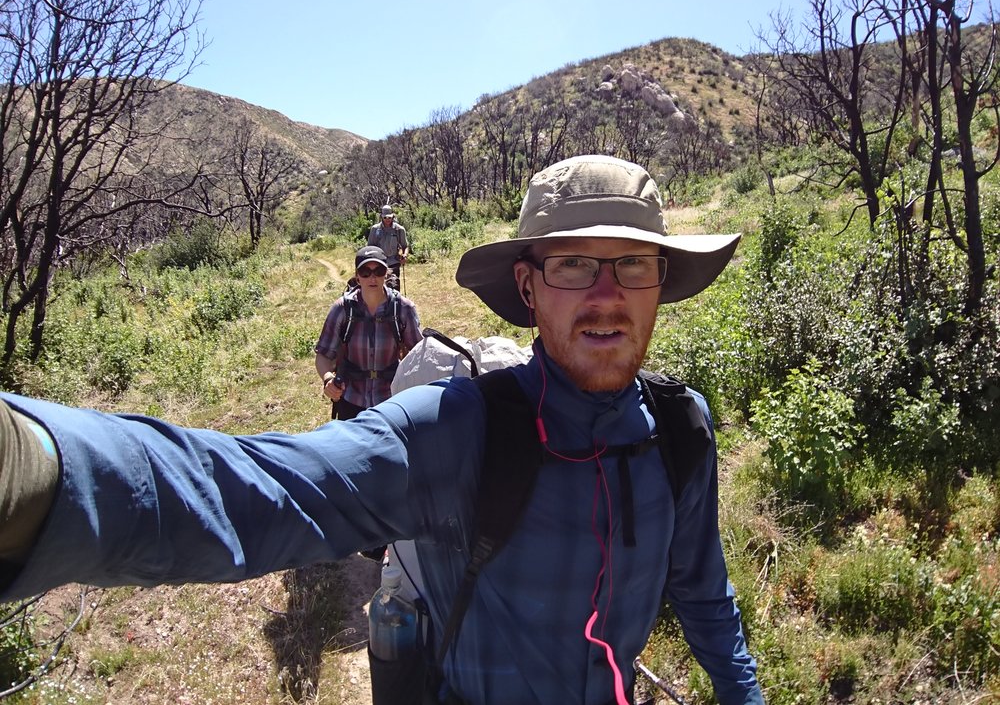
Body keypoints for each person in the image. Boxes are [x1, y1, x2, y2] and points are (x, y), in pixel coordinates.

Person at [0, 154, 764, 705]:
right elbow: (263, 491)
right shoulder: (459, 431)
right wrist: (36, 475)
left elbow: (704, 598)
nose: (607, 295)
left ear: (662, 285)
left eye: (633, 264)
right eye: (573, 266)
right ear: (528, 288)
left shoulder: (678, 431)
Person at [315, 245, 422, 421]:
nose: (372, 277)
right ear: (357, 277)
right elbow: (324, 355)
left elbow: (419, 354)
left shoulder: (403, 309)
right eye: (365, 272)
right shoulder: (342, 309)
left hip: (392, 400)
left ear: (386, 273)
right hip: (351, 400)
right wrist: (328, 379)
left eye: (378, 271)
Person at [367, 203, 409, 289]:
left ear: (393, 216)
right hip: (379, 264)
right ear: (381, 217)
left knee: (394, 287)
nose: (387, 219)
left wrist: (404, 255)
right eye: (385, 217)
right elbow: (370, 248)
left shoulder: (399, 229)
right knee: (380, 289)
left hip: (394, 263)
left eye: (389, 217)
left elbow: (405, 246)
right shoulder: (375, 229)